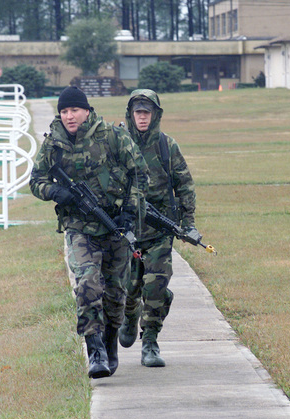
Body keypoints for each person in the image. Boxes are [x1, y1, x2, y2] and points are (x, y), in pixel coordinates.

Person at [30, 86, 149, 378]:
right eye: (64, 111)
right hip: (80, 228)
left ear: (86, 110)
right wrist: (57, 192)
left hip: (115, 227)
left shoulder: (112, 136)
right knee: (86, 286)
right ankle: (94, 349)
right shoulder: (54, 144)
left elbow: (139, 174)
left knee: (115, 294)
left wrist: (129, 211)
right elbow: (36, 181)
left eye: (74, 110)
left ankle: (110, 343)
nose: (69, 116)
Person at [118, 89, 200, 367]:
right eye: (138, 112)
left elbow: (185, 185)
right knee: (129, 287)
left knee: (155, 286)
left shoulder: (167, 145)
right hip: (126, 231)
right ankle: (129, 316)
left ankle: (150, 341)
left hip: (159, 231)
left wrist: (188, 224)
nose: (142, 117)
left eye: (147, 112)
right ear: (130, 114)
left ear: (155, 115)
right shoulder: (118, 143)